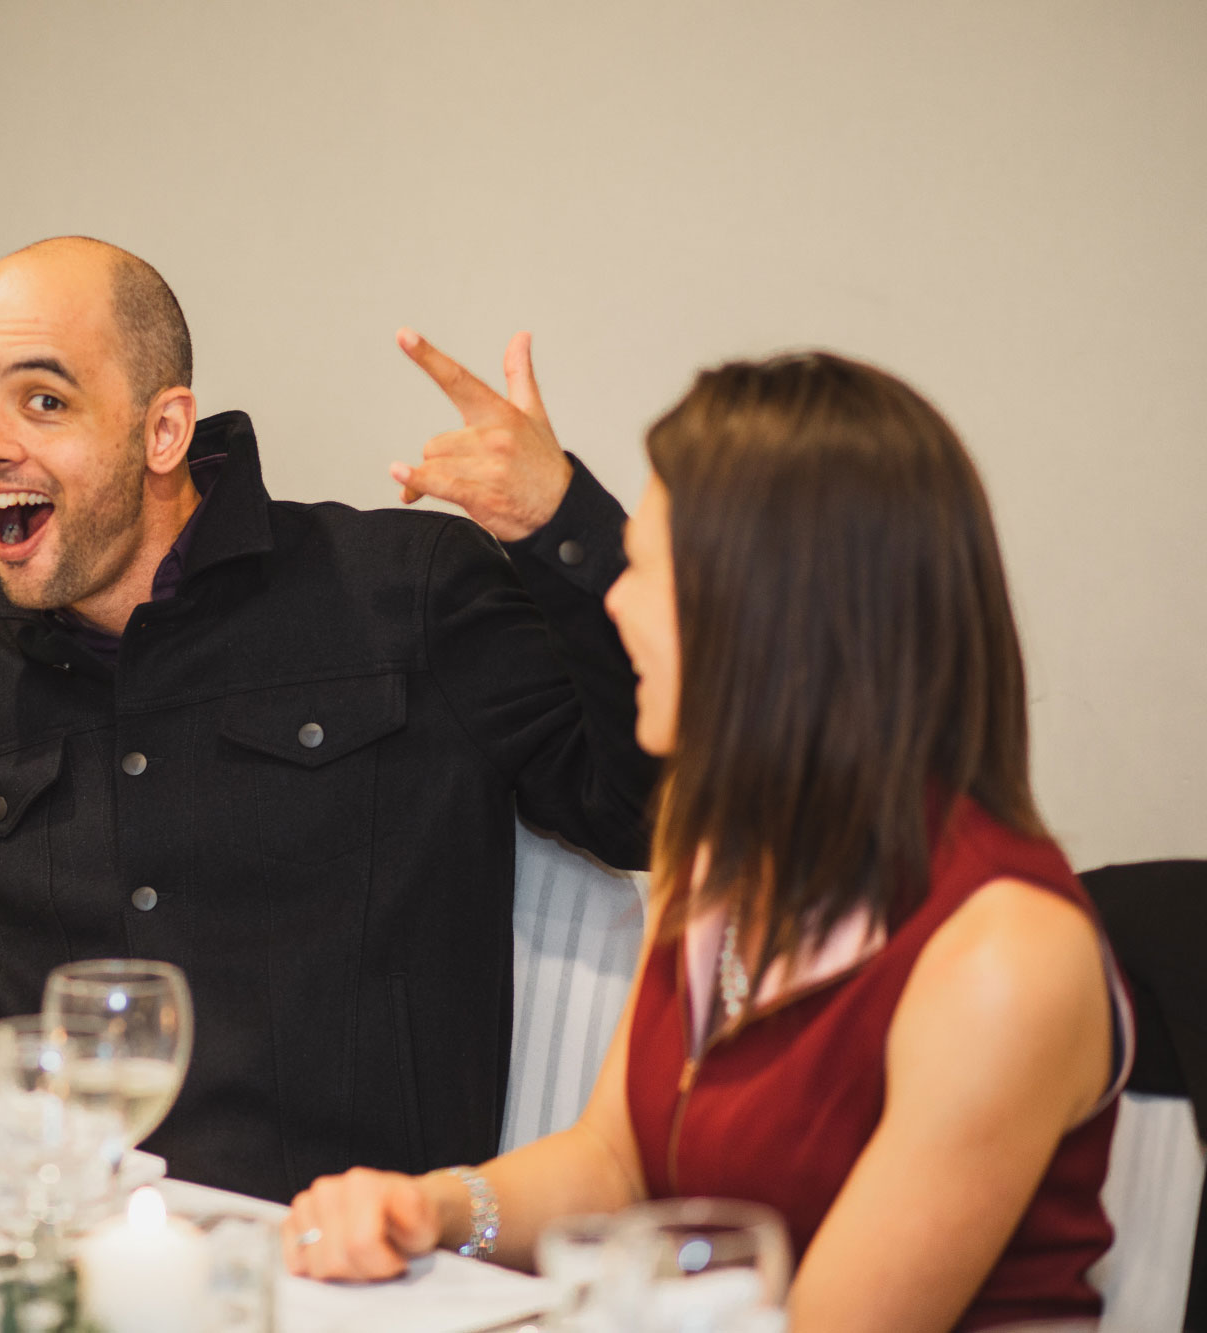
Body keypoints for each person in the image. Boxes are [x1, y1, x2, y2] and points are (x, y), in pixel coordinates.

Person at [0, 237, 657, 1204]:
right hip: (68, 1278)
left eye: (42, 401)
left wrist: (563, 526)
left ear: (162, 430)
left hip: (348, 1282)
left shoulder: (400, 594)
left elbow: (643, 810)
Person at [283, 352, 1131, 1330]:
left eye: (649, 566)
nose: (618, 603)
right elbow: (616, 1159)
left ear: (780, 619)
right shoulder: (716, 844)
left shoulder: (1001, 956)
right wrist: (432, 1207)